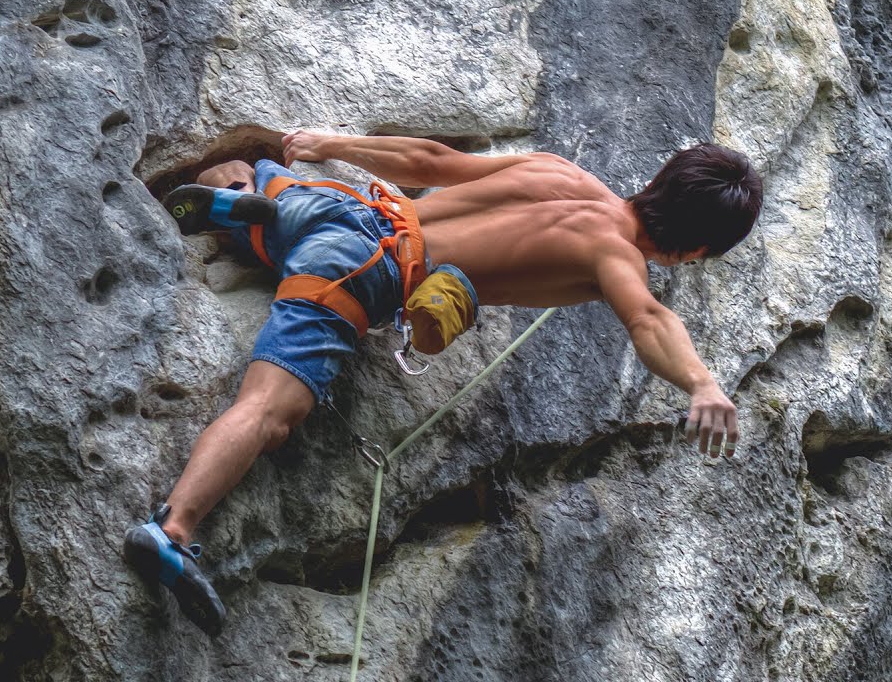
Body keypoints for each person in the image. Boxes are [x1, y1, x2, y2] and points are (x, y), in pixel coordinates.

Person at [124, 131, 764, 635]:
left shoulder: (560, 174)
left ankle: (241, 193)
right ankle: (172, 529)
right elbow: (649, 318)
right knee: (268, 411)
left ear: (659, 182)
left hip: (353, 208)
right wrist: (702, 383)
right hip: (360, 272)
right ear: (695, 251)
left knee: (258, 187)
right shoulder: (615, 255)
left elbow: (430, 159)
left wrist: (333, 146)